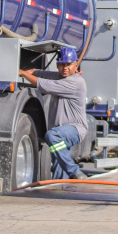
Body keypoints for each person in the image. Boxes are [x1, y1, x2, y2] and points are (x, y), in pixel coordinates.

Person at [18, 47, 88, 180]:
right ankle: (59, 188)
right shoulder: (60, 77)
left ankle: (74, 172)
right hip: (61, 130)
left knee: (52, 136)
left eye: (68, 64)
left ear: (75, 65)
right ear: (57, 65)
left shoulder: (76, 82)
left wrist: (23, 73)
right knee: (58, 163)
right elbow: (45, 75)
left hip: (74, 129)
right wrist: (33, 71)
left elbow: (45, 85)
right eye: (62, 64)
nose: (65, 68)